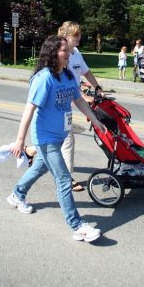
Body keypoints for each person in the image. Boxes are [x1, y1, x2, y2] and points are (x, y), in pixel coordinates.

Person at [7, 35, 106, 242]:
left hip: (60, 133)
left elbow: (78, 99)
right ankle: (77, 225)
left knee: (39, 167)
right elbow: (29, 110)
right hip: (45, 137)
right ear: (53, 53)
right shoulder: (44, 79)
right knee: (63, 179)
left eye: (68, 51)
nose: (69, 54)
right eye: (64, 51)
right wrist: (19, 140)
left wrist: (95, 120)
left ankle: (17, 194)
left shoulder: (68, 75)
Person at [58, 21, 105, 192]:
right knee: (68, 141)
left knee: (56, 142)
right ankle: (67, 178)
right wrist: (82, 96)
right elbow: (62, 85)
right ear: (66, 37)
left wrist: (97, 88)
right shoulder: (59, 55)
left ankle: (31, 151)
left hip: (68, 105)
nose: (79, 37)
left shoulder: (76, 53)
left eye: (79, 34)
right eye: (76, 35)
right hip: (57, 106)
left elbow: (86, 72)